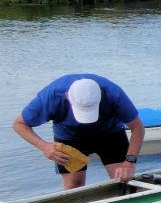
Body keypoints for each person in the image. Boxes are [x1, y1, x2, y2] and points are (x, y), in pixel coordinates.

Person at [13, 74, 144, 189]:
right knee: (73, 185)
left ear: (101, 96)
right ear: (67, 96)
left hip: (110, 133)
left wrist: (130, 162)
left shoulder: (113, 93)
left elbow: (137, 127)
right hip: (69, 138)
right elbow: (19, 124)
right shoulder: (51, 96)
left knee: (123, 180)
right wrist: (43, 146)